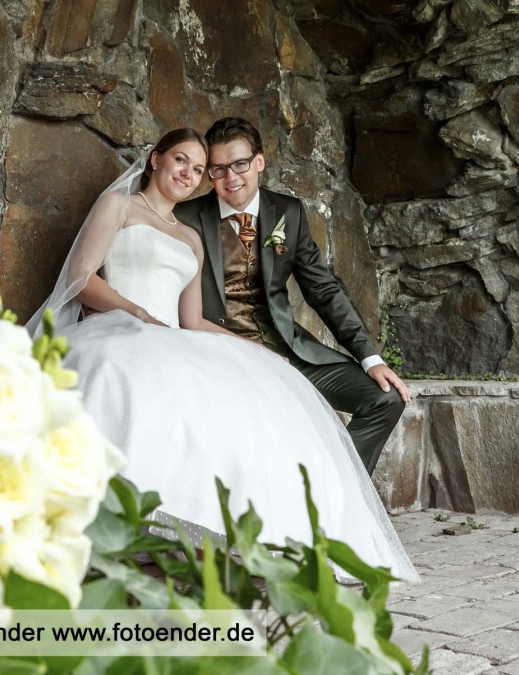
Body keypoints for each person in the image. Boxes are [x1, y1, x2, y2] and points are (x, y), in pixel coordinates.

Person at [26, 128, 417, 582]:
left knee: (367, 401)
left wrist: (266, 353)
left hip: (218, 340)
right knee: (142, 386)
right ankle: (138, 530)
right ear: (156, 159)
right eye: (189, 164)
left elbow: (208, 317)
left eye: (201, 169)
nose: (200, 176)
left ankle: (330, 512)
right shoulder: (136, 208)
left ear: (259, 162)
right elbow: (82, 275)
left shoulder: (220, 228)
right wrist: (135, 312)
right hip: (126, 329)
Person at [175, 118, 409, 476]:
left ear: (259, 162)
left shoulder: (288, 212)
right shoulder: (187, 218)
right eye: (218, 169)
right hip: (224, 352)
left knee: (384, 398)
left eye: (239, 164)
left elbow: (323, 290)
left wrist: (370, 357)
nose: (231, 177)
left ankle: (336, 492)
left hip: (288, 350)